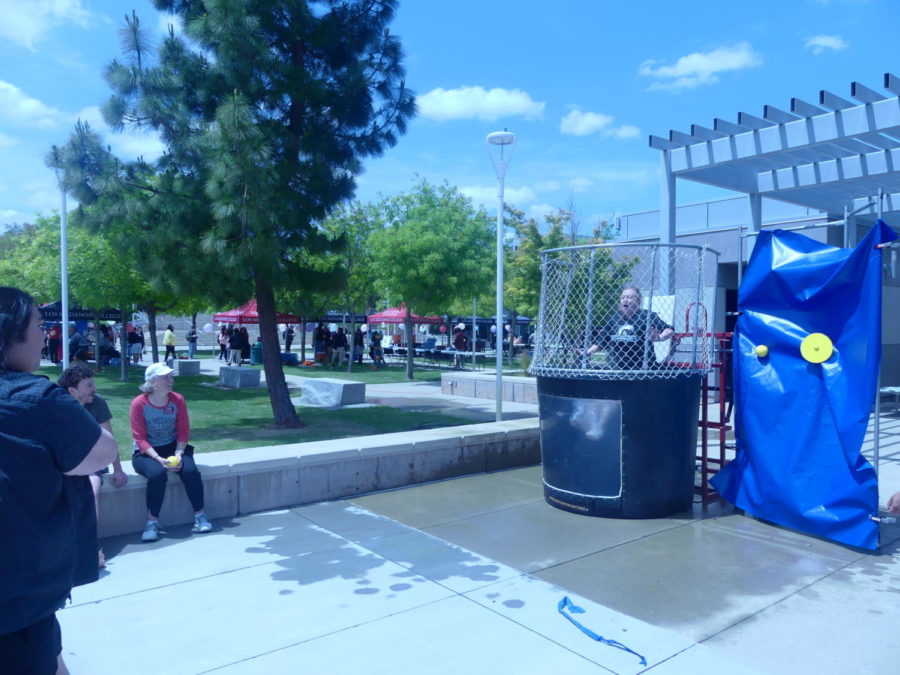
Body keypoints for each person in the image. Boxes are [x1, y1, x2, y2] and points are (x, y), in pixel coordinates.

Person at [0, 287, 118, 675]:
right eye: (38, 324)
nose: (43, 335)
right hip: (16, 600)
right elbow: (101, 452)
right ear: (11, 331)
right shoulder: (35, 398)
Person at [130, 362, 212, 543]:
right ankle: (152, 523)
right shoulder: (139, 404)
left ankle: (200, 516)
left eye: (170, 376)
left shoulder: (178, 400)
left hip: (174, 447)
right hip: (146, 452)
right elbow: (139, 438)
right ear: (153, 381)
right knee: (157, 475)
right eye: (165, 377)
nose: (170, 380)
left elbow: (184, 431)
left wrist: (179, 453)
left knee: (190, 472)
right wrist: (158, 459)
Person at [58, 364, 128, 569]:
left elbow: (110, 440)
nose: (94, 389)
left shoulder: (97, 404)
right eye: (89, 385)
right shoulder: (58, 406)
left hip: (91, 464)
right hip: (63, 465)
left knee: (91, 492)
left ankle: (90, 547)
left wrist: (118, 469)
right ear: (72, 391)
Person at [582, 286, 674, 370]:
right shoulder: (614, 318)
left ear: (638, 301)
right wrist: (586, 352)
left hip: (643, 367)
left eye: (629, 297)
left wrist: (659, 338)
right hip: (618, 367)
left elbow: (669, 330)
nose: (625, 300)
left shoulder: (646, 315)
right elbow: (602, 341)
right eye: (623, 297)